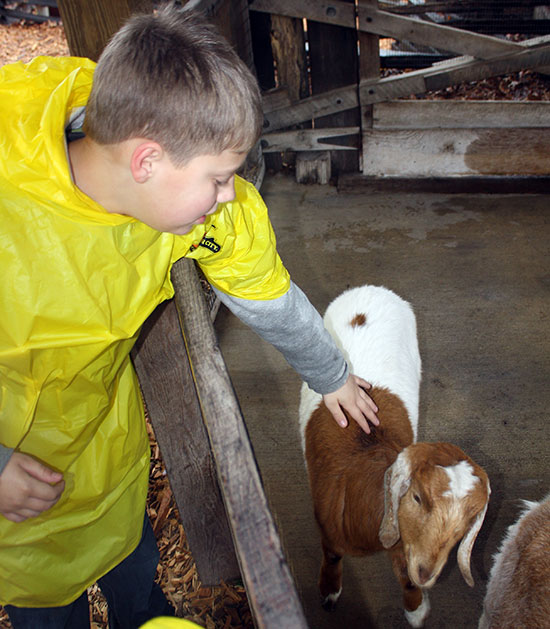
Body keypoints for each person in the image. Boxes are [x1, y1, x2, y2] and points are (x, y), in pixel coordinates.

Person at [0, 5, 379, 628]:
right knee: (46, 608)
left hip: (103, 438)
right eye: (220, 177)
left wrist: (329, 371)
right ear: (146, 161)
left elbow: (264, 289)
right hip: (16, 479)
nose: (231, 194)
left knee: (133, 568)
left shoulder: (183, 199)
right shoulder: (17, 215)